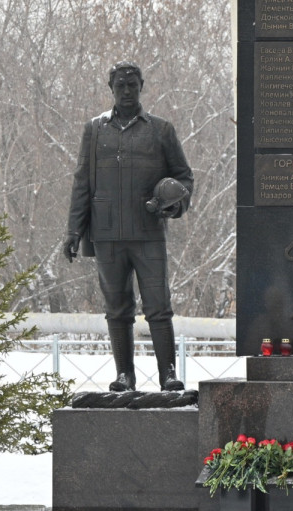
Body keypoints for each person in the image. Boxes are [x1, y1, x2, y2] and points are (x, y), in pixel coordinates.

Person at [61, 61, 194, 392]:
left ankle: (168, 373)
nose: (126, 91)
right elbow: (82, 183)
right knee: (117, 310)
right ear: (111, 88)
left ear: (141, 86)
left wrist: (171, 203)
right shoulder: (94, 131)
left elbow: (184, 177)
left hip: (148, 234)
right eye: (120, 85)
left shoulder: (161, 130)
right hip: (107, 236)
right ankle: (125, 376)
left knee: (158, 308)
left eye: (132, 85)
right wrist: (74, 231)